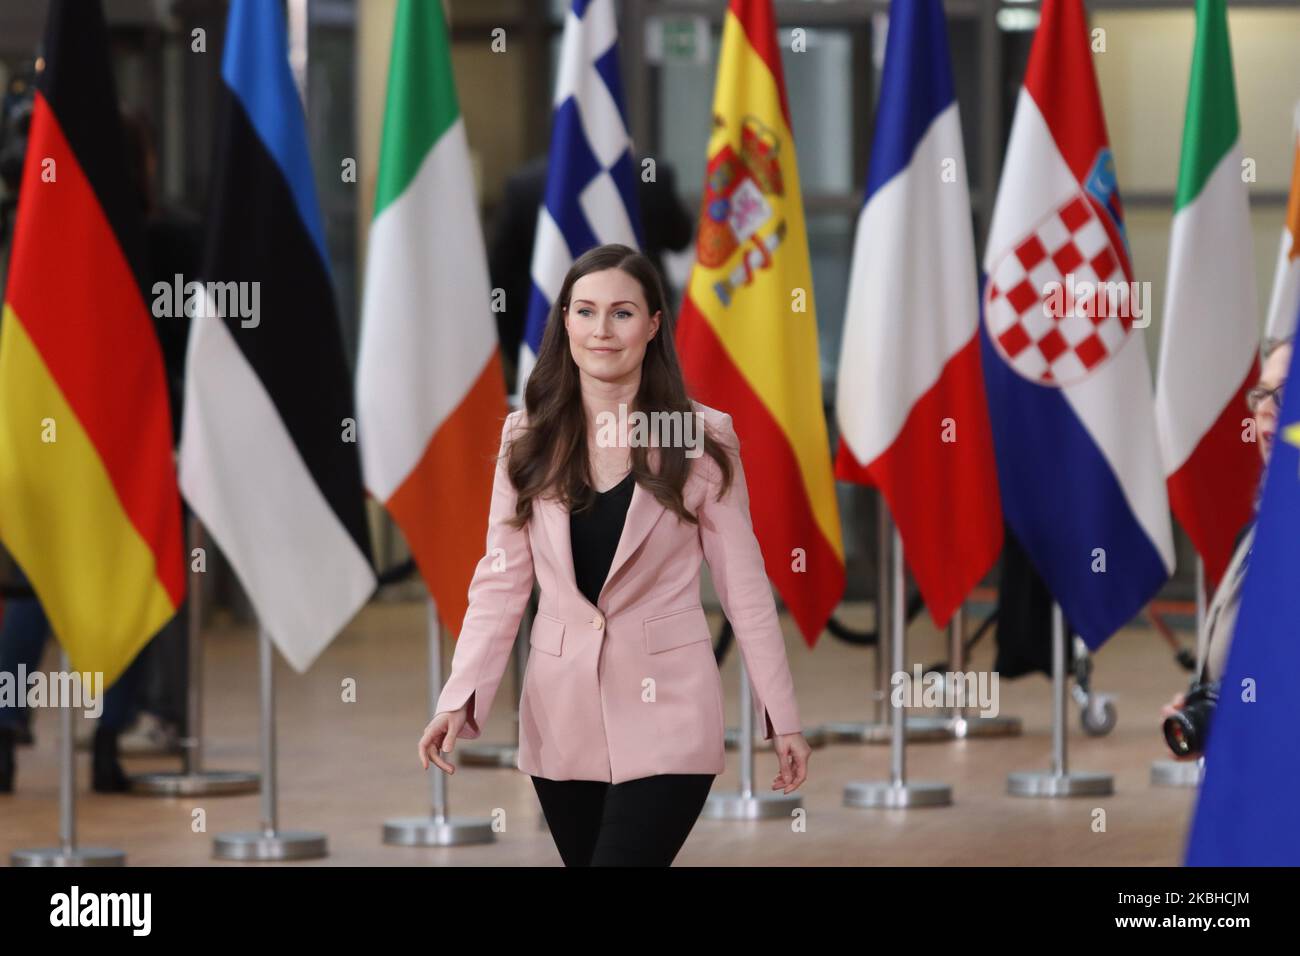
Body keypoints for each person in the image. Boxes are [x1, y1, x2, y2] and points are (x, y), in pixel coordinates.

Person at [417, 243, 810, 866]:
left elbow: (745, 586)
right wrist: (458, 697)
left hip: (671, 713)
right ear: (565, 322)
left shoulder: (704, 437)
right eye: (586, 311)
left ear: (654, 325)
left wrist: (780, 714)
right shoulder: (526, 437)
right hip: (560, 716)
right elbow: (500, 583)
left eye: (623, 313)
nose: (602, 330)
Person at [1161, 335, 1292, 740]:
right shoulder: (1253, 534)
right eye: (1260, 394)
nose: (1266, 408)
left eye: (1285, 393)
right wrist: (1205, 708)